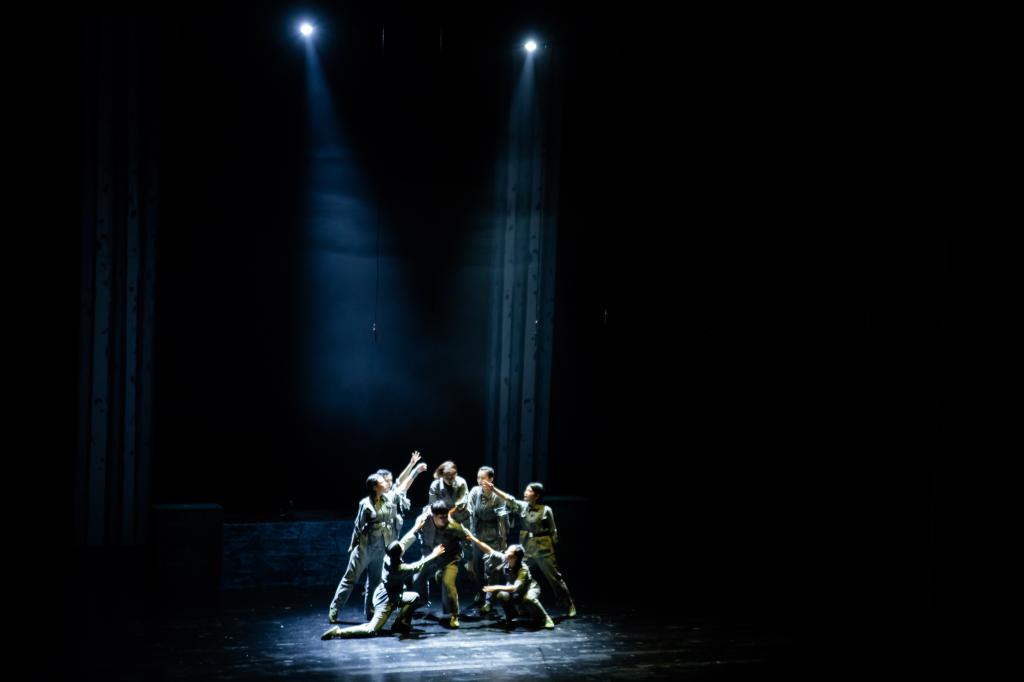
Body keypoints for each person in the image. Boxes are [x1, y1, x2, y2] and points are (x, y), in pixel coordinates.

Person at [327, 459, 428, 624]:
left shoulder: (389, 497)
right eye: (383, 482)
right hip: (365, 547)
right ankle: (335, 609)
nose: (387, 484)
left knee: (375, 581)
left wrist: (416, 471)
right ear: (375, 487)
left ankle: (370, 610)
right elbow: (358, 526)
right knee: (350, 579)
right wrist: (353, 544)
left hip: (381, 548)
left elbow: (403, 487)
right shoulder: (365, 504)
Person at [322, 514, 446, 639]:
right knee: (371, 630)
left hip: (390, 593)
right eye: (401, 549)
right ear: (399, 554)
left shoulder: (388, 557)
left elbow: (403, 543)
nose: (403, 548)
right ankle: (338, 632)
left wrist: (416, 528)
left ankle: (400, 624)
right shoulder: (400, 569)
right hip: (385, 600)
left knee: (414, 597)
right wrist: (434, 554)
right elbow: (418, 566)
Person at [485, 480, 577, 618]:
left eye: (529, 491)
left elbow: (553, 531)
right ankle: (520, 605)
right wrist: (494, 489)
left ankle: (569, 604)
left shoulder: (546, 510)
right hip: (527, 548)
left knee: (555, 579)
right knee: (519, 575)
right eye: (526, 490)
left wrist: (554, 549)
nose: (525, 493)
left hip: (543, 549)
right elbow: (509, 499)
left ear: (537, 495)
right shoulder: (523, 506)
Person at [464, 534, 554, 629]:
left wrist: (496, 587)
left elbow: (514, 588)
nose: (506, 551)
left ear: (515, 557)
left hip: (529, 589)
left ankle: (545, 618)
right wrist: (473, 539)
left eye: (509, 551)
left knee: (528, 598)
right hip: (515, 589)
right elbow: (489, 550)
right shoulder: (505, 559)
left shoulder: (523, 569)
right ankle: (512, 615)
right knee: (502, 595)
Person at [414, 500, 472, 628]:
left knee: (448, 583)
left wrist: (469, 561)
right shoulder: (425, 521)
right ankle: (421, 601)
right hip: (431, 557)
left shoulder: (454, 527)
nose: (445, 519)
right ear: (433, 516)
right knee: (417, 578)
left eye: (446, 516)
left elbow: (467, 540)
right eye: (441, 517)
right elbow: (417, 531)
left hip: (450, 559)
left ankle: (453, 615)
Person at [465, 466, 509, 610]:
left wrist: (503, 539)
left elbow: (503, 520)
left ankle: (489, 601)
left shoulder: (498, 497)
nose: (480, 481)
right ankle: (481, 590)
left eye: (483, 478)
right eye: (478, 478)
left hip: (493, 535)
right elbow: (469, 510)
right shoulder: (475, 491)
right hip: (477, 534)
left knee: (491, 569)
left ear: (491, 479)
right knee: (476, 568)